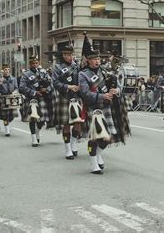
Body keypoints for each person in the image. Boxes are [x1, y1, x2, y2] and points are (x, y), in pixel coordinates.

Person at [79, 40, 130, 174]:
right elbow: (85, 93)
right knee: (95, 137)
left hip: (107, 108)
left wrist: (116, 91)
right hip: (93, 109)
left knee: (108, 138)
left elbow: (117, 86)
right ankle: (93, 163)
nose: (97, 61)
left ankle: (97, 154)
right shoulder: (83, 74)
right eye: (94, 59)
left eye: (98, 58)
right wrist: (103, 96)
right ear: (88, 60)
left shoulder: (106, 72)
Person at [52, 45, 83, 160]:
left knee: (78, 124)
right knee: (66, 124)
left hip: (76, 97)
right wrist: (68, 86)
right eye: (66, 55)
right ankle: (68, 149)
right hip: (64, 97)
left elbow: (82, 79)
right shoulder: (57, 67)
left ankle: (73, 143)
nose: (68, 57)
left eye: (70, 55)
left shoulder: (77, 66)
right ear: (62, 55)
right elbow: (55, 83)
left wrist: (80, 87)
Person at [19, 55, 55, 147]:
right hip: (32, 99)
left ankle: (37, 130)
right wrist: (34, 92)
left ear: (38, 63)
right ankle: (34, 138)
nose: (35, 65)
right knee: (33, 119)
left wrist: (46, 90)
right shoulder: (26, 74)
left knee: (42, 119)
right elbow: (22, 87)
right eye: (32, 63)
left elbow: (51, 82)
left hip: (43, 97)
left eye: (36, 63)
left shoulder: (43, 72)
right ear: (30, 64)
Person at [0, 65, 18, 137]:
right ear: (3, 70)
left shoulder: (13, 79)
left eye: (8, 69)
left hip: (12, 98)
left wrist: (15, 92)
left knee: (12, 116)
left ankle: (7, 124)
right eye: (5, 69)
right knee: (5, 116)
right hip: (4, 98)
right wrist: (0, 83)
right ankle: (7, 130)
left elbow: (17, 88)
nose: (7, 71)